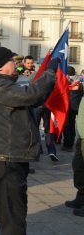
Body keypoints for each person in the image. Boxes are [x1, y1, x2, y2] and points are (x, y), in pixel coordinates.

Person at [0, 47, 58, 234]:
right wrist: (50, 73)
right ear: (0, 67)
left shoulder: (5, 85)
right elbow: (30, 94)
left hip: (10, 155)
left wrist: (48, 80)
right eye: (12, 60)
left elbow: (33, 99)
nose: (17, 63)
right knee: (14, 214)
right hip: (7, 157)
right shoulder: (0, 86)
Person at [67, 86, 84, 216]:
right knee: (78, 167)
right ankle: (81, 197)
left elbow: (74, 106)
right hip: (81, 137)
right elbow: (76, 107)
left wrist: (74, 92)